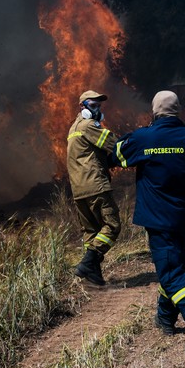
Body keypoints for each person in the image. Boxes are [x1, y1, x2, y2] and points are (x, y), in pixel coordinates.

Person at [114, 90, 185, 357]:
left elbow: (117, 155)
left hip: (157, 219)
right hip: (183, 218)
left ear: (154, 112)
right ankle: (165, 318)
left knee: (173, 274)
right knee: (176, 265)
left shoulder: (143, 138)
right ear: (179, 111)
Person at [67, 90, 121, 286]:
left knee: (91, 231)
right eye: (93, 105)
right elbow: (114, 144)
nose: (98, 109)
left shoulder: (73, 128)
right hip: (95, 185)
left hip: (79, 189)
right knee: (112, 226)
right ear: (83, 107)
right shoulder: (89, 125)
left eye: (99, 106)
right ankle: (87, 263)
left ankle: (94, 277)